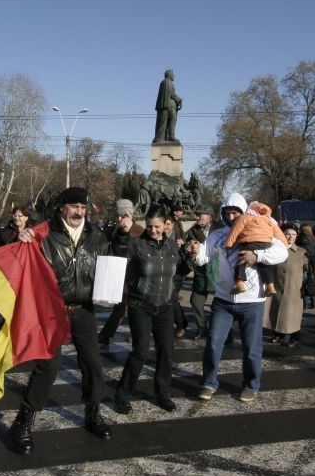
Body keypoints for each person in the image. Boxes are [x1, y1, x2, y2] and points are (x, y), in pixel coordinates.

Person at [10, 187, 112, 454]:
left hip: (84, 309)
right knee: (48, 368)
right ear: (61, 207)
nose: (79, 211)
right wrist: (22, 238)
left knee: (92, 363)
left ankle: (93, 413)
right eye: (74, 206)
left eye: (83, 206)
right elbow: (20, 260)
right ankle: (23, 420)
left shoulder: (97, 236)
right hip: (52, 311)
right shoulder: (43, 234)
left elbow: (107, 268)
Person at [186, 193, 289, 402]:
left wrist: (257, 255)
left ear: (244, 213)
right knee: (214, 344)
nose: (232, 217)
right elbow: (202, 258)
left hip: (253, 301)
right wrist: (195, 252)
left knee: (251, 347)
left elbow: (282, 251)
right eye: (228, 213)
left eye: (236, 213)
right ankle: (208, 383)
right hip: (223, 301)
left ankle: (251, 385)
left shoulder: (261, 229)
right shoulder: (219, 235)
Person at [113, 206, 190, 414]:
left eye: (157, 227)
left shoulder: (172, 246)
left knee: (166, 352)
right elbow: (118, 253)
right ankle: (122, 396)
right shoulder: (138, 244)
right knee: (140, 351)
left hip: (164, 306)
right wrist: (123, 233)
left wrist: (191, 256)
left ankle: (163, 395)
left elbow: (180, 271)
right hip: (141, 304)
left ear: (166, 225)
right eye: (149, 226)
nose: (153, 230)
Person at [98, 199, 144, 348]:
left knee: (130, 307)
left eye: (122, 215)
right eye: (117, 216)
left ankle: (108, 335)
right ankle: (106, 335)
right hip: (118, 274)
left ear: (129, 215)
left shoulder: (139, 231)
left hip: (134, 275)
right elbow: (106, 246)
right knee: (121, 306)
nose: (119, 219)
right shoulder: (113, 229)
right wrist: (117, 231)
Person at [224, 202, 288, 296]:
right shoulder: (269, 220)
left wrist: (229, 243)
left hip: (249, 242)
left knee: (241, 262)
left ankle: (239, 283)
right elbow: (279, 234)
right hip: (266, 244)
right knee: (265, 265)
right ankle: (270, 286)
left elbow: (235, 231)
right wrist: (285, 244)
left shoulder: (245, 217)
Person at [264, 224, 309, 347]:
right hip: (277, 285)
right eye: (288, 234)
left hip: (293, 288)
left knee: (292, 314)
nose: (291, 237)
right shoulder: (274, 249)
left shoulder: (301, 252)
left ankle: (295, 337)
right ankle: (278, 334)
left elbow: (310, 266)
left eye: (294, 234)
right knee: (274, 310)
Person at [186, 204, 218, 340]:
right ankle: (202, 328)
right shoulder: (192, 232)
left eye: (200, 214)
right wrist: (190, 250)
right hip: (201, 273)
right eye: (196, 214)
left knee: (220, 306)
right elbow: (187, 252)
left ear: (209, 217)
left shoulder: (220, 230)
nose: (197, 217)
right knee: (196, 301)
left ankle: (223, 333)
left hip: (218, 272)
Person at [168, 203, 188, 338]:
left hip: (175, 272)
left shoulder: (175, 235)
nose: (168, 226)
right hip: (162, 273)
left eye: (169, 224)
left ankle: (181, 324)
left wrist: (183, 246)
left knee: (172, 299)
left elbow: (183, 256)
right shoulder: (158, 236)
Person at [153, 69, 182, 144]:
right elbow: (170, 93)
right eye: (172, 74)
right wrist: (179, 100)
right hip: (167, 105)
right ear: (169, 75)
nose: (174, 76)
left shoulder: (169, 83)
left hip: (171, 104)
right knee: (171, 118)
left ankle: (169, 136)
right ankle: (169, 136)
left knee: (172, 119)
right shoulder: (166, 82)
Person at [296, 224, 315, 309]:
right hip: (312, 263)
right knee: (313, 282)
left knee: (303, 284)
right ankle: (314, 303)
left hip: (303, 262)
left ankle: (305, 304)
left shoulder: (298, 240)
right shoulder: (313, 240)